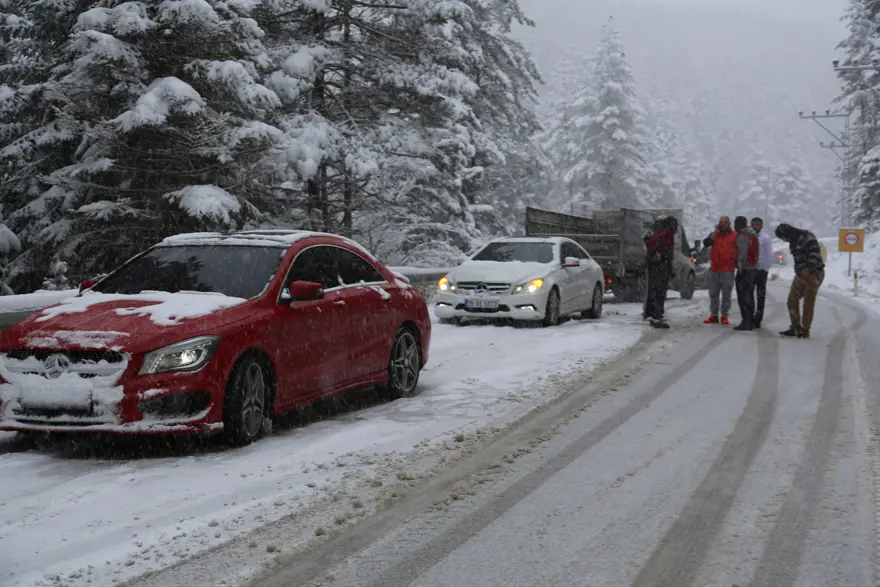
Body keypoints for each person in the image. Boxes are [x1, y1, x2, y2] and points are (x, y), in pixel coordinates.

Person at [775, 223, 825, 338]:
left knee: (808, 303)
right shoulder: (793, 242)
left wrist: (808, 269)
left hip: (814, 273)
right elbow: (797, 259)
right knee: (792, 300)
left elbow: (815, 254)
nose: (784, 240)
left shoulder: (808, 237)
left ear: (788, 233)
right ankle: (795, 326)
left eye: (783, 237)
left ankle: (805, 329)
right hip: (800, 274)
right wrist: (799, 270)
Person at [702, 215, 737, 325]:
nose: (722, 224)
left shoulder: (734, 235)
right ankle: (713, 315)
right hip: (714, 269)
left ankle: (724, 315)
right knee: (713, 293)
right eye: (721, 222)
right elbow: (706, 243)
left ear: (729, 224)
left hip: (728, 269)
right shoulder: (714, 235)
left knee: (726, 294)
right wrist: (713, 235)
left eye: (725, 222)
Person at [643, 215, 677, 329]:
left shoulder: (659, 233)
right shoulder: (667, 233)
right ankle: (657, 316)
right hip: (661, 267)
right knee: (660, 292)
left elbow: (650, 244)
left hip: (655, 266)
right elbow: (667, 251)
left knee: (654, 291)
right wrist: (663, 257)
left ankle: (652, 314)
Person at [733, 216, 760, 331]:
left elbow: (742, 255)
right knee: (749, 295)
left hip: (745, 270)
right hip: (753, 268)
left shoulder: (742, 237)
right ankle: (751, 320)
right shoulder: (753, 235)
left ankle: (746, 321)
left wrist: (740, 268)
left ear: (738, 225)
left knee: (743, 296)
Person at [751, 217, 773, 328]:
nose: (755, 226)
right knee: (749, 295)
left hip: (761, 270)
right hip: (750, 270)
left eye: (757, 224)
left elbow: (769, 254)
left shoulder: (765, 238)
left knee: (760, 295)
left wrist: (765, 269)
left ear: (761, 226)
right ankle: (749, 317)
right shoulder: (749, 237)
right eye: (753, 224)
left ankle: (758, 319)